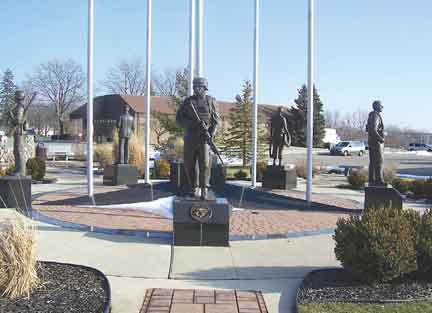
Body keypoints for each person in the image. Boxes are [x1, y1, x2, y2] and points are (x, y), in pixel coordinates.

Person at [176, 77, 219, 200]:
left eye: (198, 87)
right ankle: (193, 187)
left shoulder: (211, 101)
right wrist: (193, 124)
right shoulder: (188, 101)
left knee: (205, 164)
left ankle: (204, 188)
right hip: (190, 137)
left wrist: (211, 134)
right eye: (194, 87)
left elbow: (216, 121)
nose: (196, 89)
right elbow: (179, 118)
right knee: (189, 164)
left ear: (204, 88)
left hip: (204, 138)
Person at [366, 100, 385, 185]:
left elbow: (369, 129)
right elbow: (373, 129)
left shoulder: (372, 115)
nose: (382, 107)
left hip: (372, 142)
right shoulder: (375, 116)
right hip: (376, 143)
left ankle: (372, 179)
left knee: (373, 161)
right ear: (377, 106)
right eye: (381, 106)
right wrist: (381, 138)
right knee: (379, 161)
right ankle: (379, 180)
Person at [9, 90, 27, 176]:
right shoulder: (19, 106)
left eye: (15, 96)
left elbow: (18, 120)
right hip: (18, 132)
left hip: (18, 131)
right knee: (16, 150)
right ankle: (18, 169)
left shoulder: (20, 107)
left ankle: (20, 171)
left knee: (18, 150)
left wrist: (10, 114)